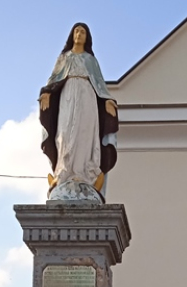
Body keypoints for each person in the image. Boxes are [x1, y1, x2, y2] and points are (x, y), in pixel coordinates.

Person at [39, 23, 118, 199]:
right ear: (72, 35)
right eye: (77, 31)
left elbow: (99, 83)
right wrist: (46, 93)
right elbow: (54, 79)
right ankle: (63, 173)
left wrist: (106, 100)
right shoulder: (64, 58)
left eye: (83, 32)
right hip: (67, 96)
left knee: (85, 133)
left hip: (87, 96)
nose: (79, 34)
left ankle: (86, 175)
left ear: (87, 37)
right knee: (65, 133)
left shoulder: (90, 60)